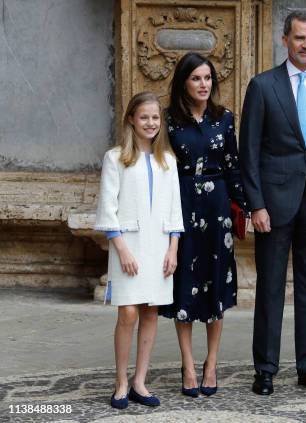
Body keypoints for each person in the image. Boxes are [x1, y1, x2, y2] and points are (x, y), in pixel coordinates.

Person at [239, 11, 306, 395]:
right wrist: (255, 204)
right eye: (300, 38)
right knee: (269, 287)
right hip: (273, 202)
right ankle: (265, 369)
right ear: (285, 39)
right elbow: (248, 151)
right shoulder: (263, 86)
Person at [158, 52, 247, 398]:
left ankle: (211, 363)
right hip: (181, 204)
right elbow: (160, 167)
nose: (203, 84)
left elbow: (233, 164)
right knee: (185, 285)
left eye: (208, 78)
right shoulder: (169, 121)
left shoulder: (224, 118)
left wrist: (248, 207)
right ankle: (189, 364)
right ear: (183, 82)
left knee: (215, 284)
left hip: (217, 207)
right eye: (196, 78)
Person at [95, 92, 184, 408]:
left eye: (156, 118)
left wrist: (173, 249)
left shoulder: (168, 161)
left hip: (160, 247)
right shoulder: (116, 158)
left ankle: (139, 382)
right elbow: (108, 208)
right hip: (127, 246)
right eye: (144, 117)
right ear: (131, 119)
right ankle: (120, 381)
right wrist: (122, 250)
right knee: (128, 312)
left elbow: (175, 210)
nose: (150, 123)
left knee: (150, 311)